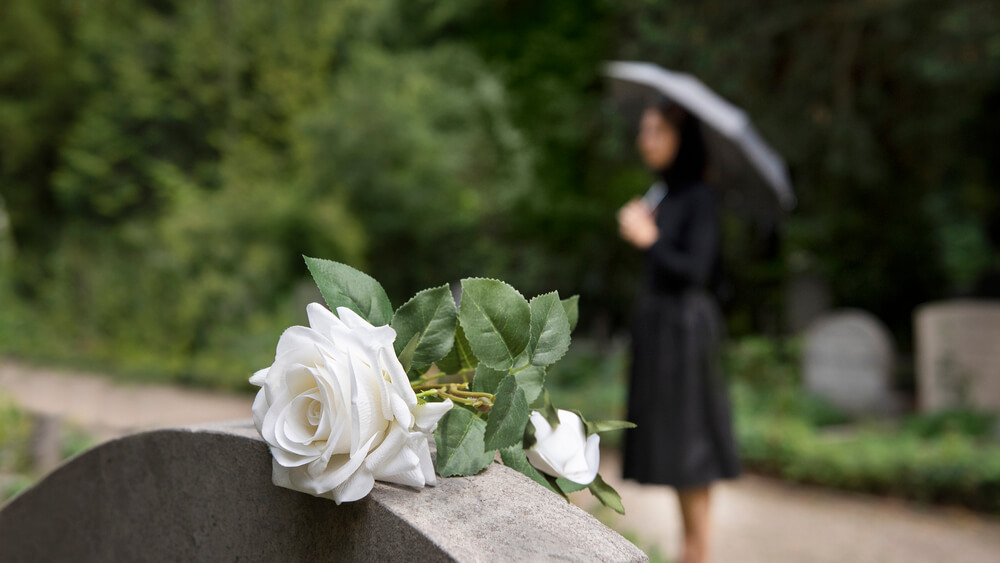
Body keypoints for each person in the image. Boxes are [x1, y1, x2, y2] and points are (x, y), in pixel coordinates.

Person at [617, 98, 741, 563]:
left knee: (691, 445)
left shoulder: (700, 196)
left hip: (685, 331)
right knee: (673, 443)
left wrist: (649, 239)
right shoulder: (663, 194)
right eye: (644, 130)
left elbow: (696, 270)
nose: (644, 140)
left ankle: (698, 551)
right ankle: (691, 548)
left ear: (681, 139)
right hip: (660, 328)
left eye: (656, 131)